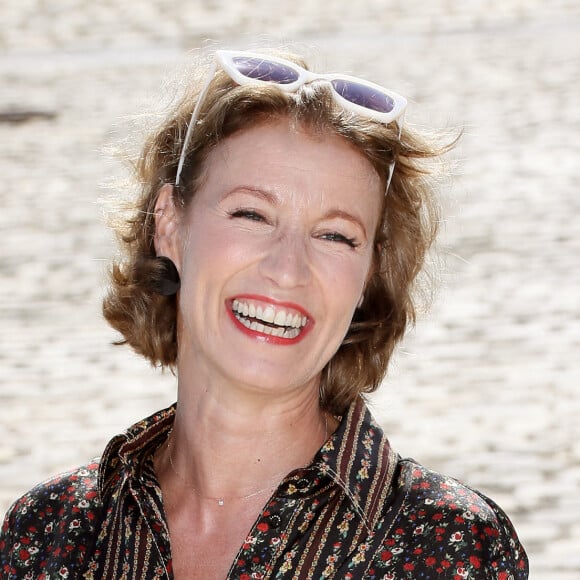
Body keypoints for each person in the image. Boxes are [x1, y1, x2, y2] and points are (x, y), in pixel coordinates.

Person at [0, 48, 528, 579]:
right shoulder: (49, 534)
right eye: (251, 214)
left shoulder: (450, 547)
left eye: (335, 235)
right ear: (168, 226)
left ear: (370, 274)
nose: (288, 269)